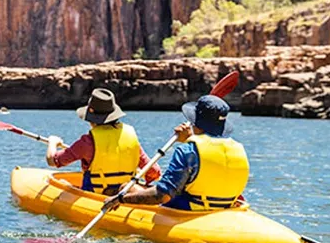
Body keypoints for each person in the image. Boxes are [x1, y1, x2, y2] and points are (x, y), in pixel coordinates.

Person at [102, 94, 249, 211]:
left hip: (190, 209)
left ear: (195, 121)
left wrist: (120, 199)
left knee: (126, 188)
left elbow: (162, 196)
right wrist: (189, 138)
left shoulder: (188, 150)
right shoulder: (238, 148)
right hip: (225, 207)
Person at [45, 88, 161, 195]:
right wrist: (145, 183)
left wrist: (52, 142)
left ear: (91, 118)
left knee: (64, 183)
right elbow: (154, 171)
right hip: (126, 192)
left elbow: (53, 161)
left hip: (97, 194)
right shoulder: (130, 136)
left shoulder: (87, 142)